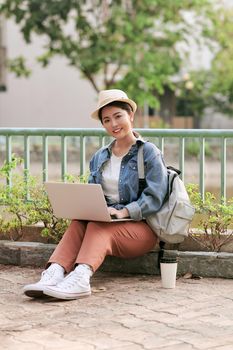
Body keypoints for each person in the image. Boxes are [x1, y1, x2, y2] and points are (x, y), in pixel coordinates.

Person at [23, 89, 168, 300]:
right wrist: (87, 207)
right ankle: (54, 272)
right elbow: (93, 194)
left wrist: (123, 212)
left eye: (118, 116)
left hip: (142, 229)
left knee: (99, 225)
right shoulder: (100, 156)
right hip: (108, 221)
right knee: (79, 221)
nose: (114, 124)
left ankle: (81, 277)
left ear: (131, 116)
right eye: (107, 120)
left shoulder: (148, 152)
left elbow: (156, 197)